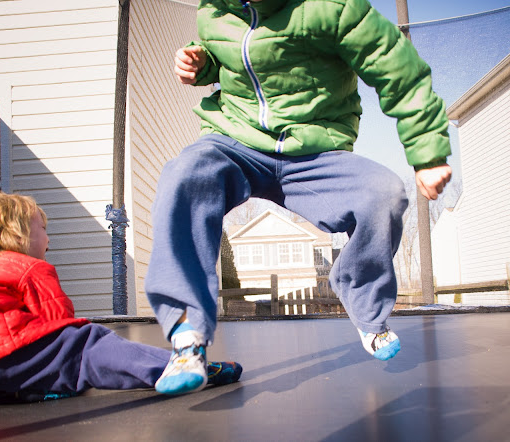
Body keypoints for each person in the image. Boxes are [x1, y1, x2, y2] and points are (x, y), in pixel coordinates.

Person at [146, 0, 452, 395]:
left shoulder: (334, 7)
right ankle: (187, 336)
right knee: (185, 175)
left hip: (314, 150)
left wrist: (428, 152)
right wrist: (202, 62)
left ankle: (367, 311)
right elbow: (232, 57)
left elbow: (397, 68)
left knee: (384, 194)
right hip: (236, 141)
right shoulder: (215, 10)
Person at [0, 191, 242, 405]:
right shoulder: (27, 266)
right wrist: (75, 350)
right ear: (16, 235)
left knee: (31, 358)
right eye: (43, 229)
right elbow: (57, 323)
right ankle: (177, 367)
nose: (48, 240)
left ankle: (31, 389)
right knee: (86, 344)